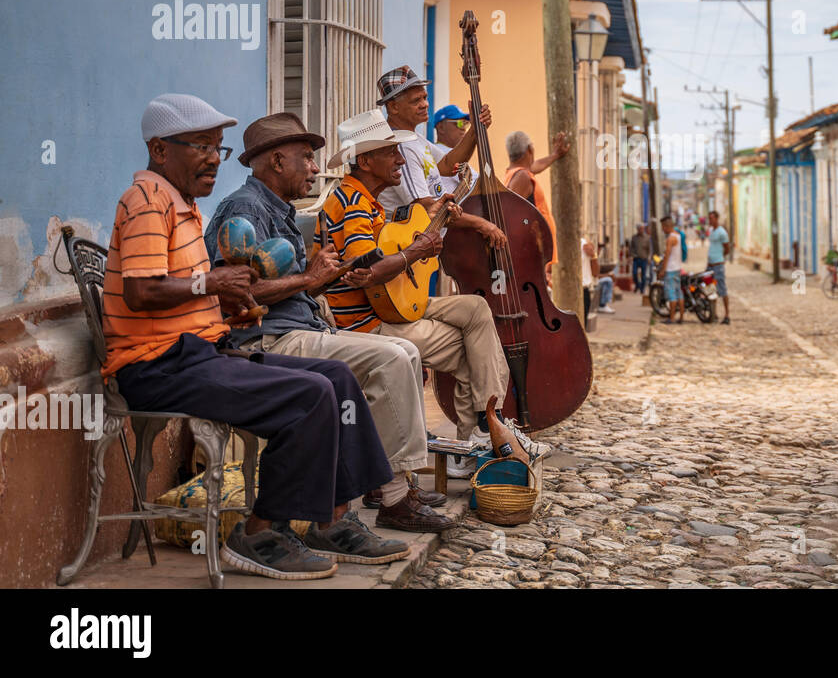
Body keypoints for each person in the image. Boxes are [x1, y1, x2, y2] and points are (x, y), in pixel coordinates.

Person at [105, 94, 405, 580]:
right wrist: (213, 285)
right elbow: (140, 292)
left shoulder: (184, 205)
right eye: (200, 145)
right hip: (156, 365)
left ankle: (333, 520)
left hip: (199, 351)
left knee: (338, 377)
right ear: (160, 150)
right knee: (309, 396)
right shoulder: (145, 200)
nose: (211, 159)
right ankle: (259, 533)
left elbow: (185, 292)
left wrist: (230, 309)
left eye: (217, 148)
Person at [204, 112, 452, 533]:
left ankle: (392, 488)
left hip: (300, 329)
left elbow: (291, 289)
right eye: (306, 158)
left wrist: (322, 280)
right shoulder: (244, 209)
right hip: (266, 341)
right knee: (395, 358)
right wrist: (309, 278)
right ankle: (391, 496)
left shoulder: (277, 209)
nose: (316, 168)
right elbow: (228, 296)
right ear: (278, 161)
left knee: (406, 354)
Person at [318, 109, 550, 478]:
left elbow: (386, 254)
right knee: (471, 352)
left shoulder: (372, 203)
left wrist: (420, 242)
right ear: (365, 160)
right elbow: (368, 273)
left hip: (395, 306)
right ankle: (483, 433)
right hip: (369, 322)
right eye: (390, 153)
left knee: (476, 308)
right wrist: (416, 252)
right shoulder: (351, 204)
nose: (399, 159)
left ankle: (478, 432)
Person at [375, 65, 505, 258]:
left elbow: (447, 165)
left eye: (425, 98)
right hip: (405, 250)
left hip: (420, 249)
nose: (424, 104)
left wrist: (475, 130)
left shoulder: (414, 139)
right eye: (416, 101)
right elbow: (424, 208)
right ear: (393, 107)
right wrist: (481, 223)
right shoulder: (401, 146)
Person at [503, 129, 569, 265]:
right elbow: (509, 214)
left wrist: (555, 155)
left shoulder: (519, 172)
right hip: (531, 255)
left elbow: (535, 166)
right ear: (529, 150)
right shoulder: (522, 177)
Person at [705, 209, 731, 325]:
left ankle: (727, 315)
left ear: (716, 219)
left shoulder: (722, 232)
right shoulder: (711, 230)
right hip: (710, 265)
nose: (710, 220)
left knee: (722, 289)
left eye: (711, 218)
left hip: (718, 265)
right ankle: (713, 313)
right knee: (710, 290)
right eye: (709, 218)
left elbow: (727, 248)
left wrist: (720, 258)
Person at [657, 215, 684, 324]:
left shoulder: (670, 239)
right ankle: (681, 317)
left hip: (670, 269)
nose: (662, 229)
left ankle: (671, 317)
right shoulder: (678, 236)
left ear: (666, 226)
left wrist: (663, 269)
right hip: (677, 268)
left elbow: (667, 254)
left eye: (663, 227)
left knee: (672, 294)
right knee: (679, 293)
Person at [582, 237, 614, 315]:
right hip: (579, 287)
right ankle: (602, 305)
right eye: (599, 248)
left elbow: (595, 273)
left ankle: (603, 304)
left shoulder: (585, 244)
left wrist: (593, 255)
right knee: (608, 280)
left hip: (584, 289)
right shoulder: (583, 245)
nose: (600, 250)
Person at [630, 224, 652, 296]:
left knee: (643, 275)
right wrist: (632, 255)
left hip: (644, 259)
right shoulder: (634, 238)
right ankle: (637, 285)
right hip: (636, 258)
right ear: (637, 229)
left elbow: (649, 250)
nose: (641, 230)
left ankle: (642, 289)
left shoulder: (647, 238)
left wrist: (649, 258)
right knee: (634, 273)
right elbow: (631, 248)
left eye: (642, 229)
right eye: (640, 229)